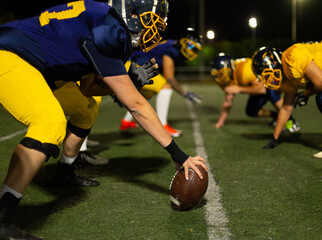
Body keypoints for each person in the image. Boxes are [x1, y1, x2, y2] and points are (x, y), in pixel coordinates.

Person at [0, 0, 207, 239]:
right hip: (13, 55)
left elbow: (88, 88)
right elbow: (137, 105)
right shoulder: (109, 29)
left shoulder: (100, 20)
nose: (156, 31)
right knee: (49, 123)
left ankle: (65, 171)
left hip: (40, 66)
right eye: (152, 22)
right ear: (131, 13)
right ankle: (4, 219)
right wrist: (178, 154)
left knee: (86, 107)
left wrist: (131, 81)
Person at [251, 40, 322, 158]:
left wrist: (306, 94)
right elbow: (286, 108)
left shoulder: (293, 58)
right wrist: (275, 137)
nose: (268, 80)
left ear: (274, 63)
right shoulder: (287, 78)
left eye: (267, 74)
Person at [119, 28, 203, 137]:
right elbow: (169, 78)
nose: (192, 51)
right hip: (134, 66)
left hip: (133, 64)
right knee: (166, 86)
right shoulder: (173, 49)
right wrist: (184, 93)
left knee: (148, 93)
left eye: (195, 50)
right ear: (184, 41)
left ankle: (126, 121)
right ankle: (163, 127)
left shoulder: (173, 45)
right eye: (191, 46)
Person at [210, 53, 300, 131]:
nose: (220, 77)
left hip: (272, 80)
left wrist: (239, 89)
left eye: (221, 73)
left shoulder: (244, 69)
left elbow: (262, 89)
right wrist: (220, 122)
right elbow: (227, 102)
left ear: (230, 67)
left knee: (271, 92)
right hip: (259, 87)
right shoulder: (223, 81)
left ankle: (290, 121)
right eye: (217, 75)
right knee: (251, 111)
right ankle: (276, 116)